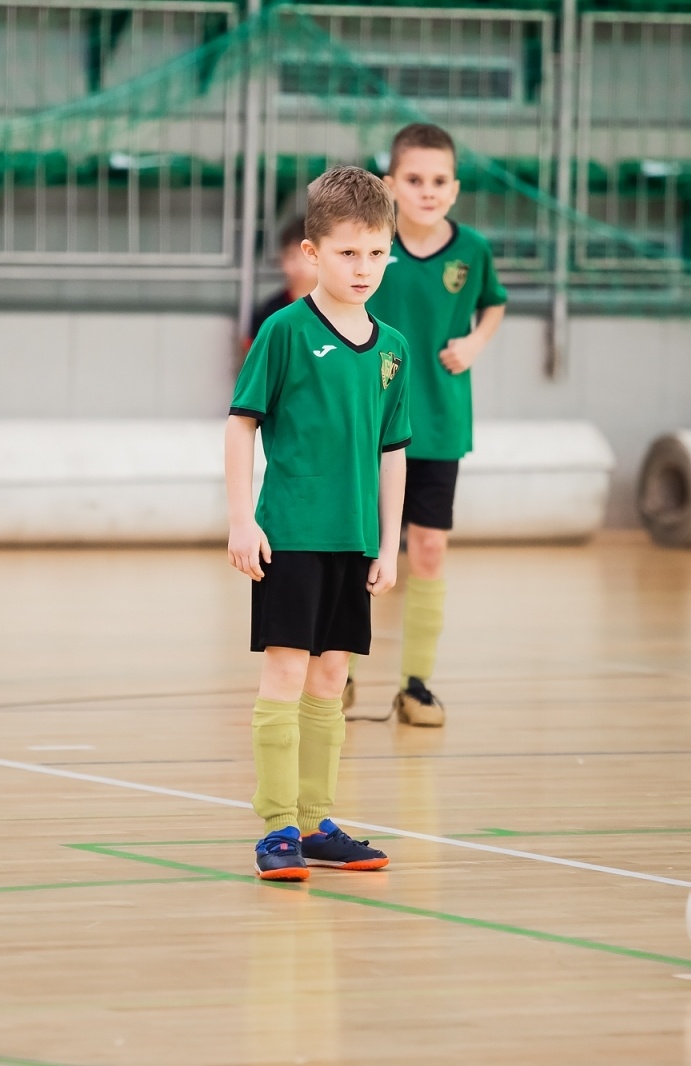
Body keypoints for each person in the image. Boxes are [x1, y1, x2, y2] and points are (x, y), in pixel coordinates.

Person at [225, 166, 412, 881]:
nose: (363, 268)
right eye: (346, 253)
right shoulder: (284, 331)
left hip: (354, 539)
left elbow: (394, 451)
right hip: (292, 533)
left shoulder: (392, 348)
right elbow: (241, 427)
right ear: (312, 253)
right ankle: (275, 826)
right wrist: (242, 519)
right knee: (286, 673)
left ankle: (314, 820)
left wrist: (387, 542)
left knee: (331, 677)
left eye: (375, 252)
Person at [349, 122, 507, 727]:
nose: (427, 191)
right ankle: (345, 674)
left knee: (430, 550)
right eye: (414, 180)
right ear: (390, 185)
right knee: (361, 549)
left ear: (456, 188)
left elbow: (494, 301)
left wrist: (475, 342)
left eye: (439, 180)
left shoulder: (472, 250)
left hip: (439, 426)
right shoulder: (369, 247)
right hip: (370, 425)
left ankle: (415, 685)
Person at [249, 216, 316, 342]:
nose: (300, 265)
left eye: (308, 256)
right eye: (292, 256)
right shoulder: (270, 310)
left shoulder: (339, 308)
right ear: (282, 258)